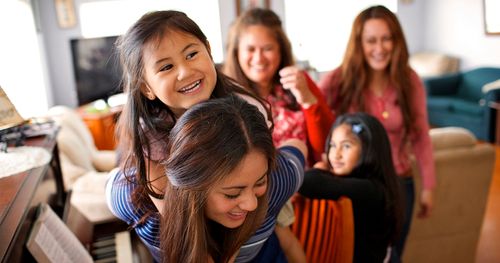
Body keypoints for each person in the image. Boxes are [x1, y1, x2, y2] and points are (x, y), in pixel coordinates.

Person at [105, 10, 305, 262]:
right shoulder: (150, 134)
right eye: (166, 66)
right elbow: (173, 211)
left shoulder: (244, 107)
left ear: (209, 51)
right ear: (146, 86)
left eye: (192, 54)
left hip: (254, 206)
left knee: (276, 220)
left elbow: (264, 165)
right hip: (196, 217)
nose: (185, 71)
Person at [317, 5, 436, 262]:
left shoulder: (409, 80)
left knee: (392, 256)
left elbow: (421, 135)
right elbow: (316, 120)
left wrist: (428, 186)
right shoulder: (338, 80)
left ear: (397, 41)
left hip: (399, 185)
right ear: (358, 44)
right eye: (371, 40)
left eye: (386, 39)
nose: (379, 48)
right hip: (354, 187)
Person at [222, 8, 334, 164]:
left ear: (281, 50)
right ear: (236, 53)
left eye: (268, 48)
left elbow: (327, 146)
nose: (259, 58)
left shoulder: (300, 81)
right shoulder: (225, 95)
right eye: (250, 49)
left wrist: (307, 99)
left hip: (307, 180)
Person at [299, 112, 404, 262]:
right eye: (333, 145)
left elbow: (307, 182)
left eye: (346, 146)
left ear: (369, 150)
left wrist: (319, 168)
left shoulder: (371, 190)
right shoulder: (368, 183)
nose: (336, 154)